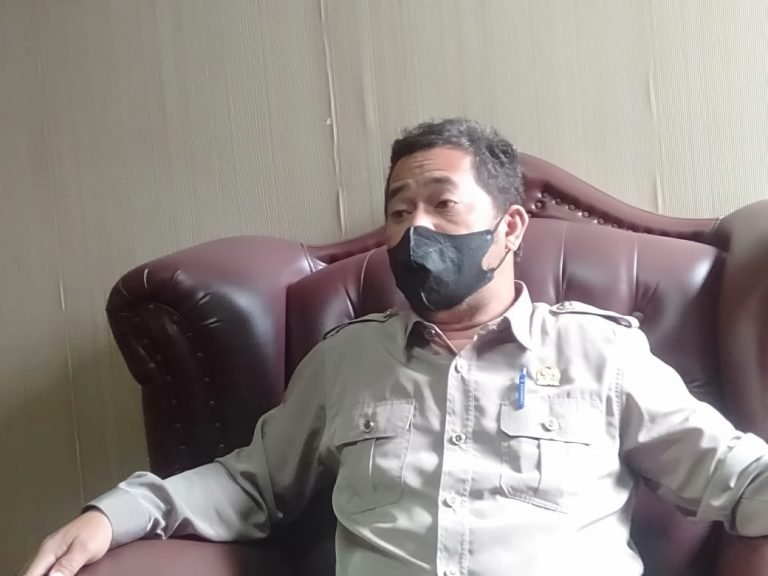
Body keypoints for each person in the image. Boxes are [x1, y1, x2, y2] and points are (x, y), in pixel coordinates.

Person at [22, 118, 768, 576]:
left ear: (509, 228)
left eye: (443, 205)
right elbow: (250, 483)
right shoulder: (345, 363)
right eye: (400, 211)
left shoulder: (598, 354)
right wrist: (113, 515)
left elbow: (734, 476)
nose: (417, 231)